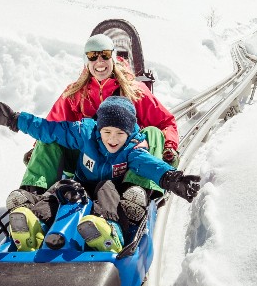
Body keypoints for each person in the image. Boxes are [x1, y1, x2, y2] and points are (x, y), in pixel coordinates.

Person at [0, 95, 200, 253]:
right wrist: (14, 120)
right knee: (58, 191)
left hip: (111, 191)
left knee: (106, 190)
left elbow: (150, 164)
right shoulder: (84, 133)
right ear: (98, 129)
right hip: (81, 184)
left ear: (129, 132)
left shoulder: (132, 148)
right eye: (107, 132)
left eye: (119, 134)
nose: (113, 139)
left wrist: (173, 178)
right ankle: (33, 224)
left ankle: (110, 232)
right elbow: (49, 129)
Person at [20, 34, 180, 198]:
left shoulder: (135, 91)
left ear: (113, 57)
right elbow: (52, 125)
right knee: (49, 138)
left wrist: (168, 146)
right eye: (92, 56)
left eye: (105, 55)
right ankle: (32, 192)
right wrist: (37, 151)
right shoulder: (75, 93)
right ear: (86, 60)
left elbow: (166, 122)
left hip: (125, 163)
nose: (99, 61)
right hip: (86, 164)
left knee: (153, 132)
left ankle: (137, 191)